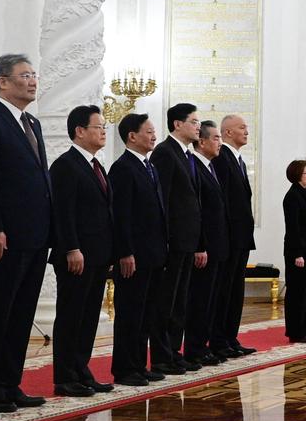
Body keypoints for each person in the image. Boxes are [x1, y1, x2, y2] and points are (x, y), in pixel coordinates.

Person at [0, 54, 51, 413]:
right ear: (3, 82)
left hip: (34, 236)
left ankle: (10, 382)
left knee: (21, 314)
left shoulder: (31, 122)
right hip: (4, 237)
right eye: (24, 75)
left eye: (33, 75)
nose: (32, 81)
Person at [49, 106, 114, 397]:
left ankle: (81, 369)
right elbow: (63, 213)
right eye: (99, 127)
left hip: (98, 255)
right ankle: (65, 376)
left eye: (104, 128)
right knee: (71, 315)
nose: (103, 132)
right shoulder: (65, 165)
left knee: (88, 316)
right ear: (79, 131)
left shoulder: (96, 165)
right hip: (76, 256)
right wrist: (72, 248)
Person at [108, 114, 167, 387]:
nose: (154, 136)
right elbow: (121, 216)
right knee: (130, 313)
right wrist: (125, 252)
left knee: (147, 313)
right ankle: (124, 368)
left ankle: (139, 365)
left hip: (153, 253)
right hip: (134, 255)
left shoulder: (149, 166)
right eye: (149, 131)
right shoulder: (123, 168)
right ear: (132, 136)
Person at [147, 103, 203, 374]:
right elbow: (163, 201)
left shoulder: (187, 155)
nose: (198, 126)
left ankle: (174, 351)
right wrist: (166, 240)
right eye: (193, 121)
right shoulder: (165, 153)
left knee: (180, 301)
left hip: (187, 241)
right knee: (165, 302)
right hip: (173, 241)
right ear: (177, 124)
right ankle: (161, 355)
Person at [211, 115, 256, 358]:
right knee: (224, 291)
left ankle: (230, 337)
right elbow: (223, 202)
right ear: (227, 132)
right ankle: (219, 340)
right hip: (228, 238)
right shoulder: (221, 158)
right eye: (242, 127)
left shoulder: (237, 159)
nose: (246, 131)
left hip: (240, 238)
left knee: (235, 291)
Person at [184, 121, 229, 366]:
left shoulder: (210, 168)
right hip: (204, 246)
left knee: (211, 299)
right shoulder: (196, 168)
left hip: (217, 245)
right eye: (216, 138)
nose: (219, 142)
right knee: (199, 300)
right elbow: (199, 211)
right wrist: (201, 244)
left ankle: (205, 346)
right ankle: (195, 348)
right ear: (201, 142)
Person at [282, 160, 306, 343]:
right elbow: (294, 229)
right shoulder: (292, 197)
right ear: (298, 175)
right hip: (297, 252)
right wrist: (298, 253)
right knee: (298, 293)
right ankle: (296, 331)